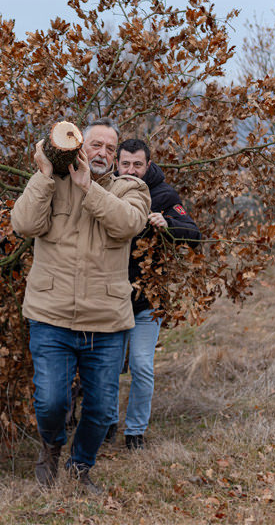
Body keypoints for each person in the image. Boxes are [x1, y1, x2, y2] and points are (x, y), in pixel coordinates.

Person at [11, 119, 150, 494]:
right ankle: (51, 447)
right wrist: (43, 176)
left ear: (117, 156)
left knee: (102, 409)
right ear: (78, 147)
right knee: (51, 401)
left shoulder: (130, 188)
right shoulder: (50, 182)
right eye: (95, 145)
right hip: (50, 315)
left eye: (110, 148)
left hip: (106, 321)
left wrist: (89, 188)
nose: (102, 153)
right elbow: (22, 224)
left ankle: (79, 469)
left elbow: (129, 223)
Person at [113, 138, 201, 450]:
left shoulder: (163, 195)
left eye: (138, 164)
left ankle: (135, 432)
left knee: (141, 365)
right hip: (111, 298)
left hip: (148, 299)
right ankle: (108, 422)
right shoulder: (108, 190)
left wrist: (168, 224)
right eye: (126, 163)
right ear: (116, 162)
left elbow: (193, 235)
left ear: (148, 165)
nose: (131, 170)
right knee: (108, 367)